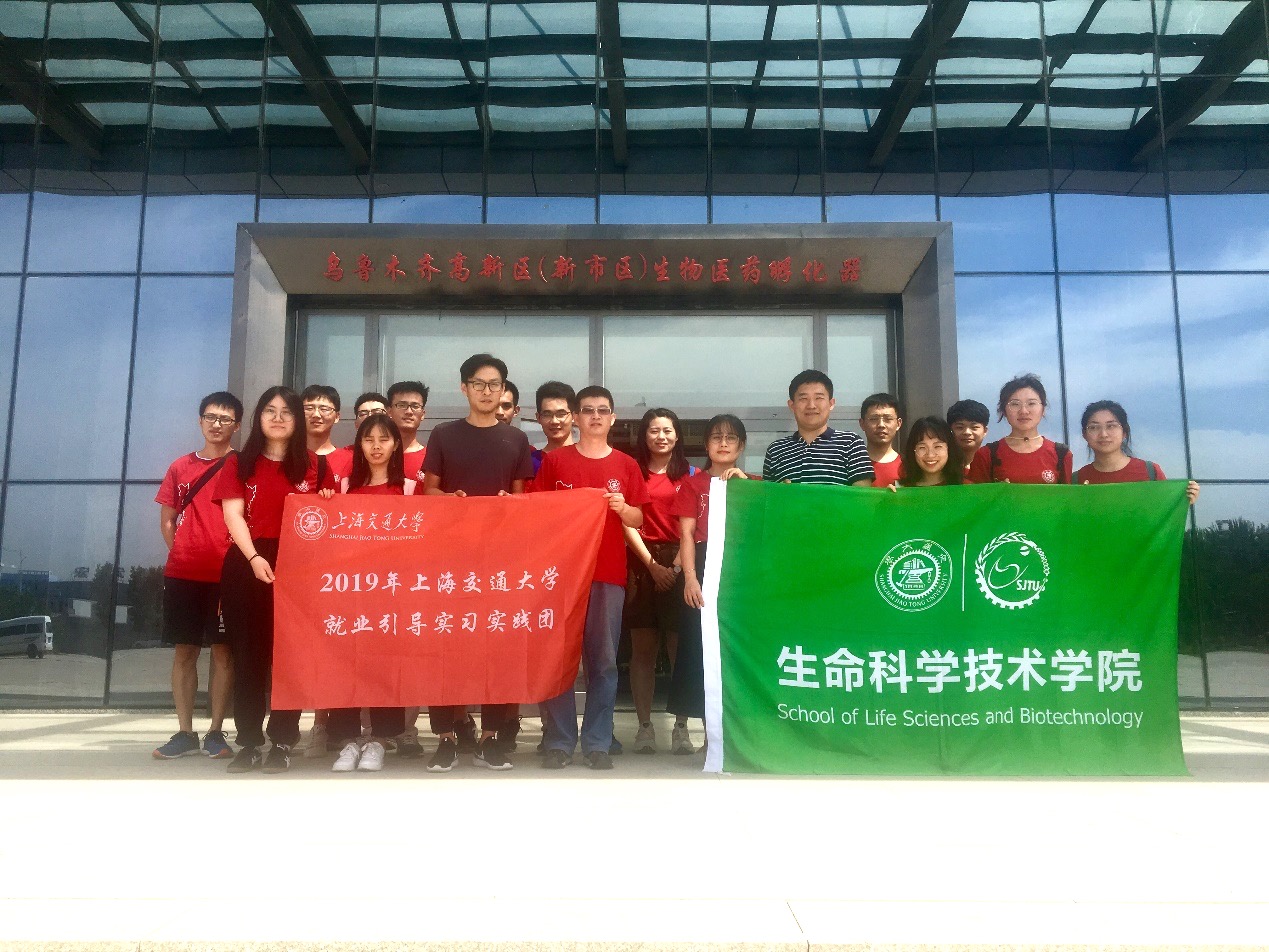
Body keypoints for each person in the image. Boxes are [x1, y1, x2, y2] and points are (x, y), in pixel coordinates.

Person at [422, 354, 534, 772]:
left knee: (496, 647)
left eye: (495, 384)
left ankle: (490, 739)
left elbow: (522, 499)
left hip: (500, 560)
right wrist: (450, 501)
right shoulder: (444, 435)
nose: (487, 391)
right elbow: (429, 492)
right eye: (478, 383)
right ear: (464, 387)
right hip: (450, 559)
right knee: (446, 646)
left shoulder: (516, 440)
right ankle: (446, 738)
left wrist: (510, 503)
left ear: (504, 390)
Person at [215, 386, 336, 774]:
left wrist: (329, 501)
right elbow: (233, 515)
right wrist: (254, 558)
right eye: (270, 410)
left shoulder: (316, 466)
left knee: (290, 659)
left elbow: (329, 520)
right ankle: (249, 743)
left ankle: (282, 741)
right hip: (248, 562)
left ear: (298, 420)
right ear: (259, 418)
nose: (279, 418)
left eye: (287, 411)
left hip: (299, 567)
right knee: (248, 657)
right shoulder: (239, 463)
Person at [534, 385, 647, 770]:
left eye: (602, 410)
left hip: (607, 574)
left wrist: (623, 508)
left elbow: (639, 518)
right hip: (561, 577)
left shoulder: (626, 465)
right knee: (559, 660)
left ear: (612, 418)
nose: (595, 416)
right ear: (576, 418)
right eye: (587, 410)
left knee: (603, 662)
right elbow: (537, 513)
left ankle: (598, 741)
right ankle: (559, 741)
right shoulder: (555, 462)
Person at [151, 391, 243, 760]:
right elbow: (167, 521)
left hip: (228, 576)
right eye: (210, 417)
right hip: (183, 575)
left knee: (223, 653)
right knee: (184, 651)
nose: (216, 424)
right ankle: (185, 732)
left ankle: (216, 732)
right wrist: (184, 551)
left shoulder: (243, 465)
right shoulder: (180, 467)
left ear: (237, 425)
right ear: (200, 420)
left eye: (225, 419)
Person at [325, 414, 415, 773]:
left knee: (385, 666)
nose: (376, 446)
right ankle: (347, 740)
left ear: (396, 445)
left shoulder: (410, 489)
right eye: (368, 439)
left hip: (392, 594)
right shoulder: (345, 487)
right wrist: (324, 502)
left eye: (384, 439)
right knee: (346, 664)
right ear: (358, 445)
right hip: (351, 594)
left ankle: (380, 740)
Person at [670, 414, 754, 756]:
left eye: (731, 438)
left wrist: (746, 486)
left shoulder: (753, 484)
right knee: (701, 650)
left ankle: (735, 735)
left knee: (736, 651)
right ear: (706, 445)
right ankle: (706, 733)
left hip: (740, 572)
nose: (723, 443)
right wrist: (691, 578)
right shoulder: (693, 485)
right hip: (704, 566)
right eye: (716, 437)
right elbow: (687, 534)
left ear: (741, 446)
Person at [624, 408, 692, 754]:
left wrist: (676, 568)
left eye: (667, 430)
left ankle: (681, 728)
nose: (661, 436)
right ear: (644, 436)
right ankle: (645, 728)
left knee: (680, 649)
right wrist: (652, 566)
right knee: (643, 650)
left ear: (677, 435)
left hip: (682, 561)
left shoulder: (691, 475)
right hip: (642, 561)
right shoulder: (632, 472)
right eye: (654, 430)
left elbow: (695, 524)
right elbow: (626, 522)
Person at [763, 370, 874, 486]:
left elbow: (862, 495)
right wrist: (780, 493)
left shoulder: (851, 443)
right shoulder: (775, 450)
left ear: (831, 404)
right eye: (803, 399)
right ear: (792, 405)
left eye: (819, 398)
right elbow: (767, 495)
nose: (811, 405)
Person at [1076, 400, 1200, 503]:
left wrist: (1184, 499)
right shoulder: (1076, 480)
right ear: (1084, 434)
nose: (1103, 434)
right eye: (1094, 427)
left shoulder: (1150, 472)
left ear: (1124, 432)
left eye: (1111, 426)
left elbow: (1164, 511)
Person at [967, 374, 1072, 485]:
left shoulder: (1061, 454)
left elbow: (1067, 495)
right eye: (1015, 404)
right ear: (1004, 411)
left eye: (1031, 403)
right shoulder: (986, 455)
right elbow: (978, 496)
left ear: (1043, 409)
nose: (1023, 411)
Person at [323, 390, 387, 485]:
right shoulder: (344, 457)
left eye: (377, 412)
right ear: (356, 424)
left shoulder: (397, 455)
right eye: (363, 414)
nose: (370, 417)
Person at [896, 417, 964, 488]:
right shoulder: (900, 488)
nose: (930, 455)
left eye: (937, 446)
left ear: (949, 448)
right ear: (913, 451)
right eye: (922, 447)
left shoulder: (965, 487)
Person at [531, 380, 577, 475]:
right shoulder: (531, 463)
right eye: (547, 414)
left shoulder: (588, 458)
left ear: (574, 416)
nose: (554, 421)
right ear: (538, 418)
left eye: (561, 414)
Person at [387, 380, 430, 482]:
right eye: (402, 405)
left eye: (415, 406)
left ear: (423, 414)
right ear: (389, 411)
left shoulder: (431, 458)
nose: (409, 412)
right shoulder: (375, 456)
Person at [860, 393, 904, 488]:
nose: (881, 425)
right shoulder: (853, 465)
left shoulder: (908, 466)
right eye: (874, 419)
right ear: (862, 424)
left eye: (888, 419)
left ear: (898, 423)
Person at [946, 399, 990, 477]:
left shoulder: (993, 464)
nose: (967, 432)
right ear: (950, 430)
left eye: (974, 427)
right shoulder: (942, 466)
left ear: (985, 431)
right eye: (960, 427)